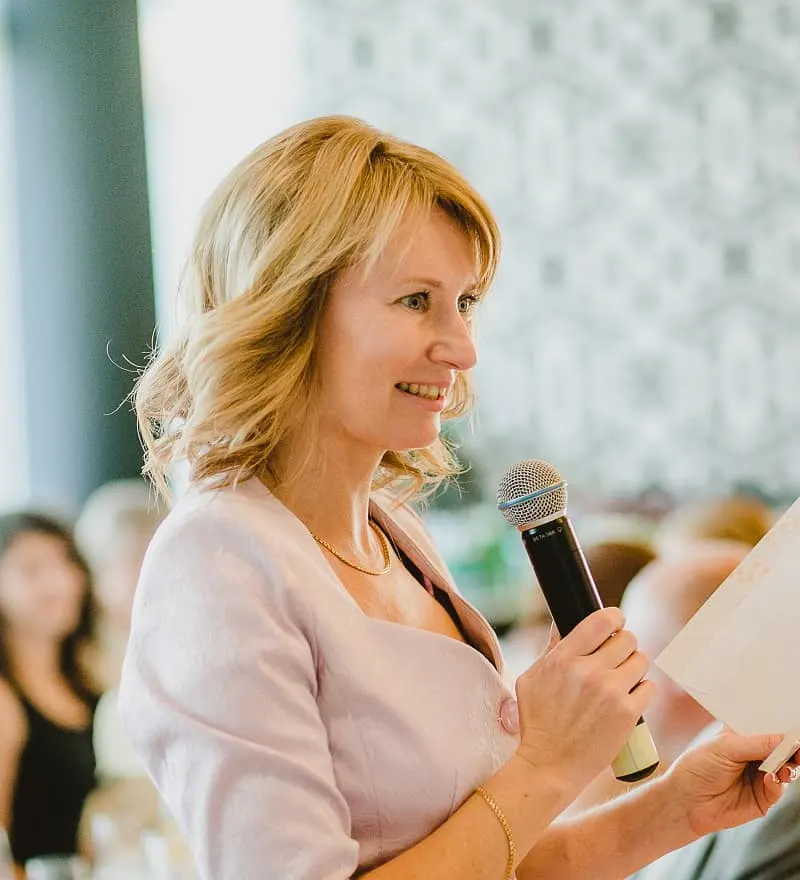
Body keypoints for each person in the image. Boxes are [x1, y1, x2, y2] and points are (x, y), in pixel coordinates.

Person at [119, 115, 797, 880]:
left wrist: (677, 807)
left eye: (465, 302)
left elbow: (497, 863)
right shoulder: (218, 561)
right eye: (416, 301)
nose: (463, 347)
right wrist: (543, 760)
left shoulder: (393, 533)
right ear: (289, 306)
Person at [0, 512, 99, 870]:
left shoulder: (86, 686)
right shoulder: (5, 701)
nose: (59, 582)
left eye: (66, 561)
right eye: (32, 569)